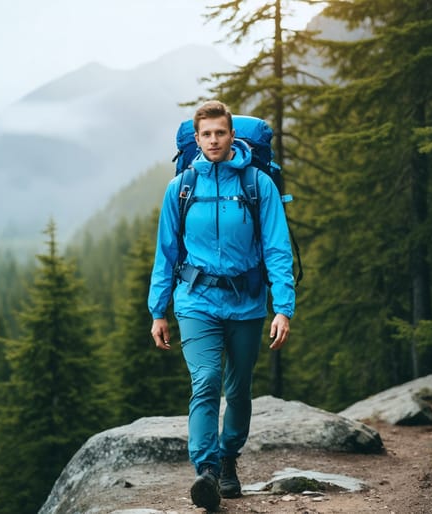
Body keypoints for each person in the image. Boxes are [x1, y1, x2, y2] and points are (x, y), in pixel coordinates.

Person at [148, 100, 295, 511]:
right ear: (195, 140)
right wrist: (158, 310)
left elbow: (278, 249)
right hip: (195, 302)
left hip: (247, 303)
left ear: (232, 136)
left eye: (220, 132)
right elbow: (166, 252)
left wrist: (283, 307)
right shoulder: (181, 188)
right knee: (207, 380)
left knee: (239, 389)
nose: (213, 140)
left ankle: (229, 457)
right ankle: (207, 471)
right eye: (206, 134)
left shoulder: (257, 185)